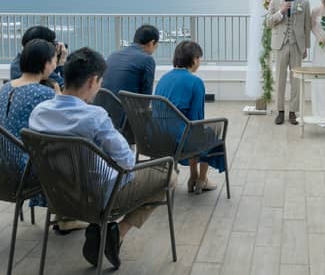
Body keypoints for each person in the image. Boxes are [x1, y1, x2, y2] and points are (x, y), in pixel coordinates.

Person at [29, 47, 176, 269]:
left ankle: (104, 229)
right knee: (170, 175)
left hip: (58, 197)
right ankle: (117, 234)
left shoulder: (39, 112)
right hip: (97, 197)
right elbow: (127, 162)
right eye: (100, 82)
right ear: (93, 80)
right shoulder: (94, 116)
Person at [155, 41, 225, 193]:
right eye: (199, 58)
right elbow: (196, 119)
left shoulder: (163, 79)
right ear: (194, 59)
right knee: (209, 134)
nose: (199, 62)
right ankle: (201, 179)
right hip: (181, 142)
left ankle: (194, 175)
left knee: (190, 131)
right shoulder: (195, 82)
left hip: (159, 139)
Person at [0, 40, 59, 210]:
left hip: (3, 166)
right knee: (72, 158)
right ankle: (65, 215)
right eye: (54, 60)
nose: (55, 65)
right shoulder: (44, 94)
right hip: (25, 170)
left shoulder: (5, 88)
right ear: (45, 63)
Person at [266, 0, 311, 125]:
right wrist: (281, 11)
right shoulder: (274, 1)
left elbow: (307, 26)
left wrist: (306, 47)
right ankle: (280, 111)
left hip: (297, 45)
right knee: (280, 79)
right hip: (280, 45)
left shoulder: (304, 2)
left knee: (295, 80)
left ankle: (292, 112)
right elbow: (268, 22)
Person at [102, 24, 159, 95]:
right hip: (127, 104)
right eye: (156, 45)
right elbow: (146, 96)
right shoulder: (147, 60)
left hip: (104, 104)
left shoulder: (113, 55)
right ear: (152, 43)